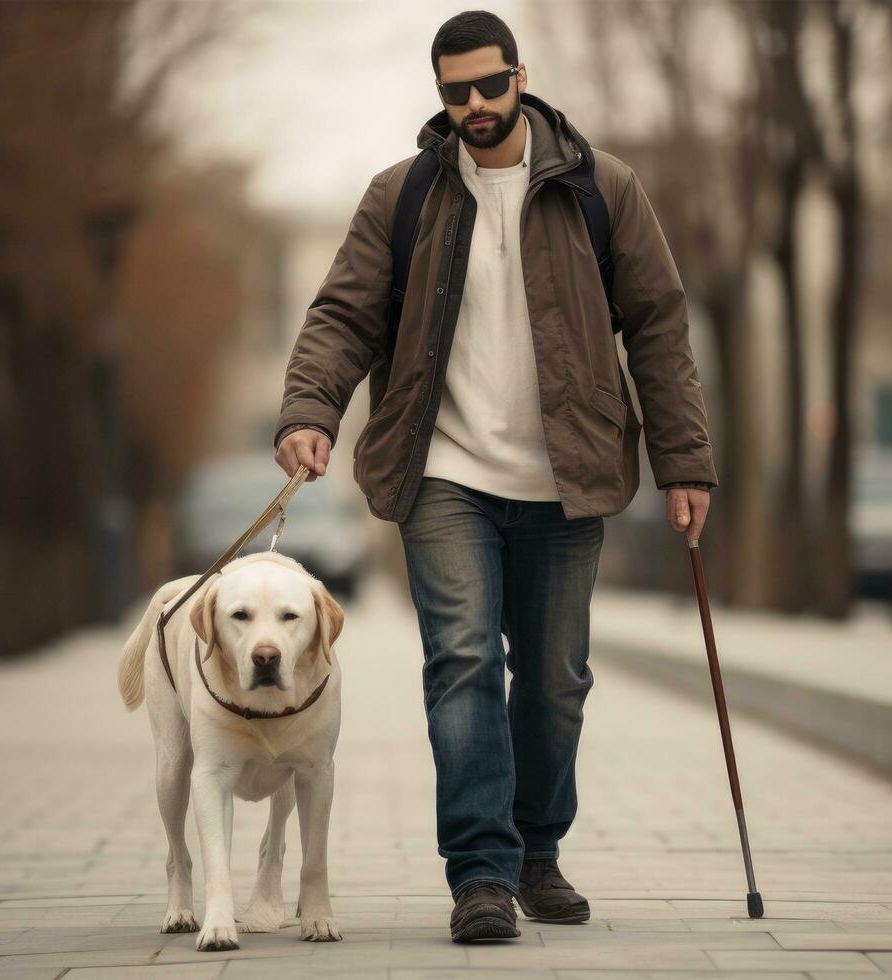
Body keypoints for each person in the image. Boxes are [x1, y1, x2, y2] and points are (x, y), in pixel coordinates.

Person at [272, 9, 718, 944]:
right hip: (444, 470)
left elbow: (660, 327)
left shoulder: (603, 188)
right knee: (464, 661)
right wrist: (311, 413)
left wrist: (685, 461)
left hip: (571, 472)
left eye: (489, 84)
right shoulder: (404, 196)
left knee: (555, 679)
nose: (474, 105)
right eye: (454, 90)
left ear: (523, 76)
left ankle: (537, 851)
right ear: (439, 94)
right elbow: (343, 315)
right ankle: (480, 871)